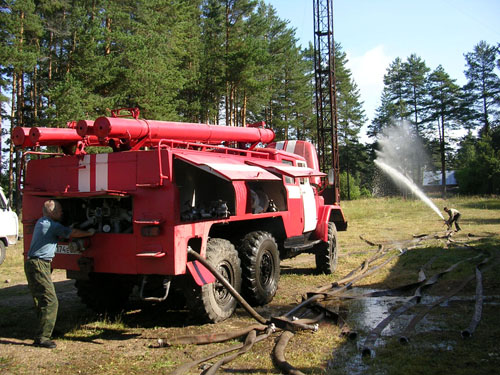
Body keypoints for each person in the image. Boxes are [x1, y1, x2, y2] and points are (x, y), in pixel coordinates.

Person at [25, 200, 95, 348]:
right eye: (59, 210)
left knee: (42, 300)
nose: (62, 212)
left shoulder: (42, 222)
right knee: (50, 301)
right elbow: (72, 233)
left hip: (35, 264)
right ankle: (42, 338)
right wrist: (89, 233)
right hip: (39, 265)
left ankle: (47, 329)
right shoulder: (50, 225)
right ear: (52, 212)